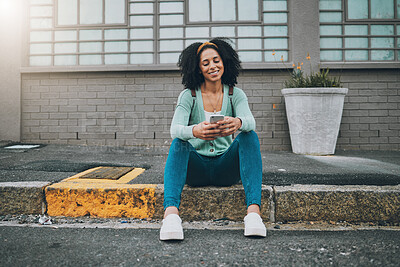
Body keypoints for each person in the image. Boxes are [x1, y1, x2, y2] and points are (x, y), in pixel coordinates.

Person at [160, 37, 266, 241]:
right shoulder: (188, 96)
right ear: (198, 69)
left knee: (249, 135)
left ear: (224, 62)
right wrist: (195, 131)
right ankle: (171, 216)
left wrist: (238, 122)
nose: (212, 66)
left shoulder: (235, 94)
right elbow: (175, 129)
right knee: (179, 143)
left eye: (216, 60)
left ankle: (253, 214)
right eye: (205, 63)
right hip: (196, 169)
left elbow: (251, 121)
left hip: (226, 169)